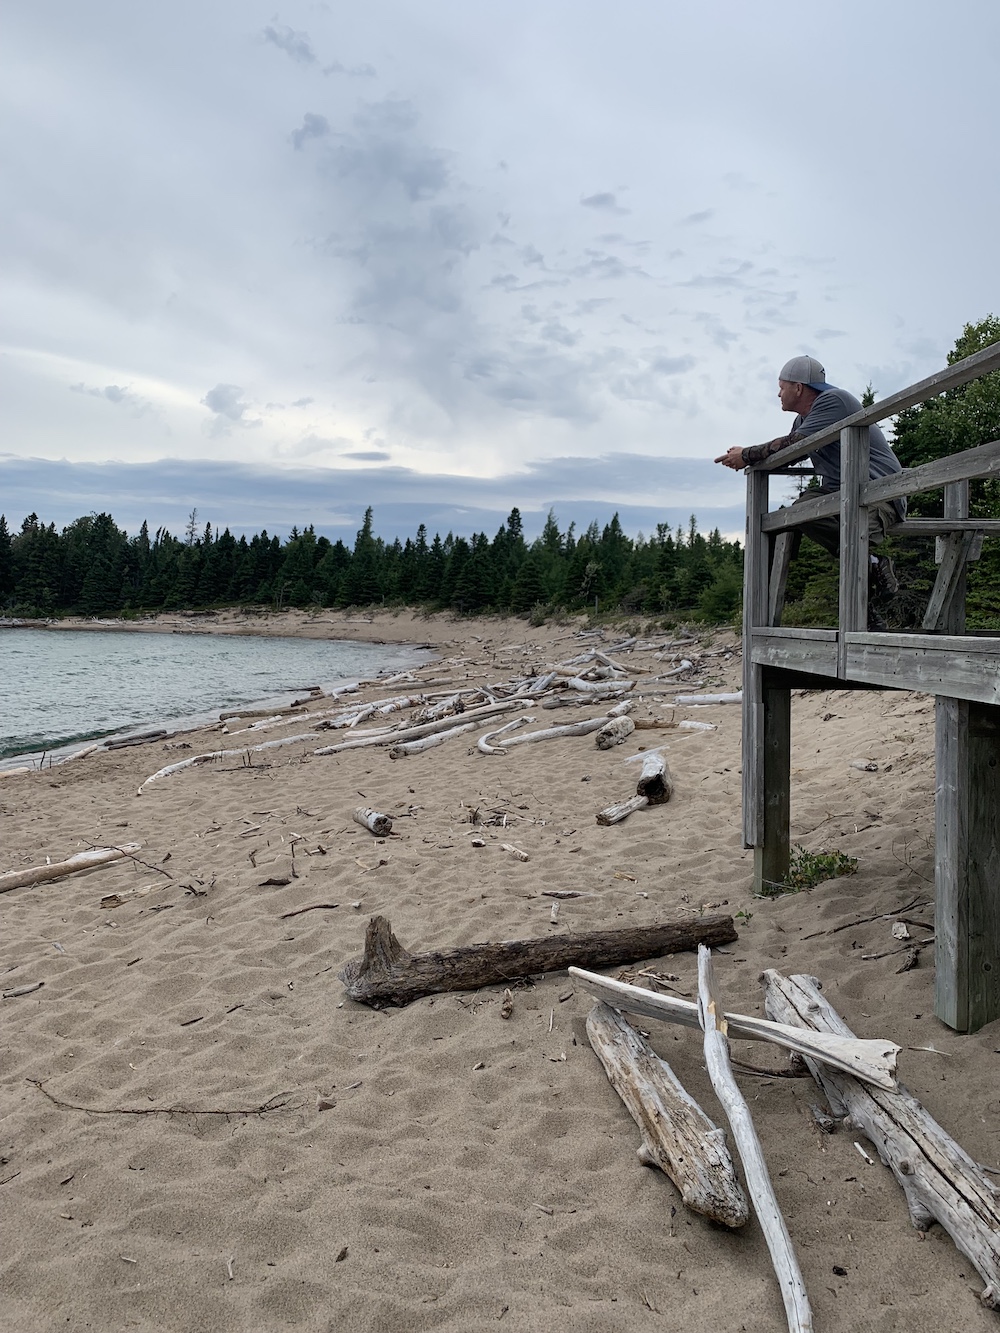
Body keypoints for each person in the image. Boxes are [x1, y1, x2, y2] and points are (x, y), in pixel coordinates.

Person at [715, 356, 904, 621]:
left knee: (850, 535)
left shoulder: (834, 401)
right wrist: (748, 458)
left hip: (878, 492)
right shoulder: (803, 420)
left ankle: (867, 613)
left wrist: (746, 454)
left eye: (782, 387)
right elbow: (790, 454)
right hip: (841, 493)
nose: (778, 393)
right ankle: (872, 570)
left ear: (799, 388)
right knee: (797, 513)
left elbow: (793, 445)